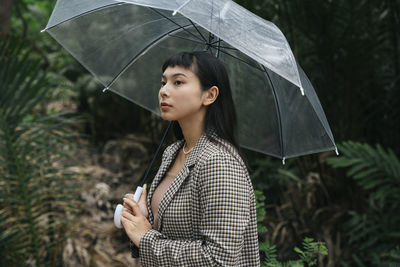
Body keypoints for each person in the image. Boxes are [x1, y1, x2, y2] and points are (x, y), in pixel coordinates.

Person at [120, 51, 260, 266]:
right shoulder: (173, 152)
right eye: (163, 82)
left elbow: (219, 259)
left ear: (209, 95)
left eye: (178, 82)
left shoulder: (219, 162)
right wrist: (146, 218)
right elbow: (171, 232)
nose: (164, 91)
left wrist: (146, 238)